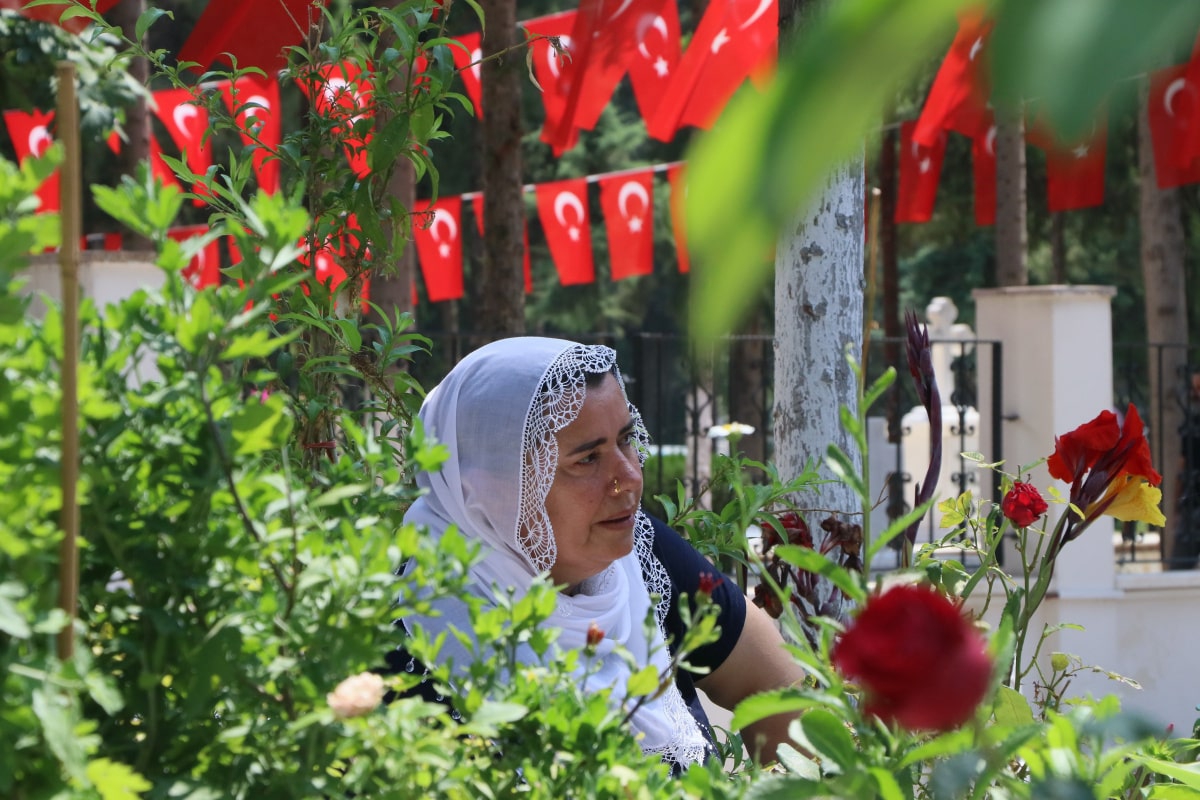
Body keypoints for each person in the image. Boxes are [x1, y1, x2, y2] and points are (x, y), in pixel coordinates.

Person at [387, 337, 803, 768]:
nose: (629, 478)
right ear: (495, 488)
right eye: (587, 460)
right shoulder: (414, 637)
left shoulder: (640, 557)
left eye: (626, 440)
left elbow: (780, 689)